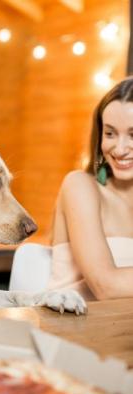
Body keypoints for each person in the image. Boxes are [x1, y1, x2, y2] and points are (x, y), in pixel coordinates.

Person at [48, 77, 133, 301]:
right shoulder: (80, 186)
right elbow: (106, 286)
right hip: (75, 330)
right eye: (110, 133)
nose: (120, 148)